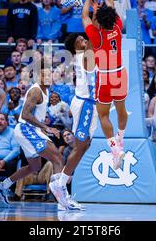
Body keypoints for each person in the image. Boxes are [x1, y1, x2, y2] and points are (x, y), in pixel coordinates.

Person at [0, 61, 70, 210]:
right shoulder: (36, 91)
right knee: (58, 158)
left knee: (34, 166)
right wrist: (47, 128)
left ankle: (1, 186)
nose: (48, 76)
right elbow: (26, 115)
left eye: (49, 73)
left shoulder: (47, 90)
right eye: (44, 74)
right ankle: (63, 200)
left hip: (32, 129)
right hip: (27, 128)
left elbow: (37, 114)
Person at [82, 0, 128, 170]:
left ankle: (114, 149)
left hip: (105, 77)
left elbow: (85, 16)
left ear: (98, 21)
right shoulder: (117, 26)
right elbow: (110, 2)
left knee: (102, 116)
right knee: (121, 111)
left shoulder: (96, 35)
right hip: (119, 73)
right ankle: (121, 138)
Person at [51, 33, 98, 210]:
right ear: (74, 47)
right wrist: (97, 17)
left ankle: (61, 181)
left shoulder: (85, 56)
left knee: (84, 146)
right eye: (79, 39)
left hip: (90, 104)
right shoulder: (83, 56)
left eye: (84, 37)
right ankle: (61, 184)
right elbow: (94, 35)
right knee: (79, 147)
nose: (84, 40)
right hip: (85, 104)